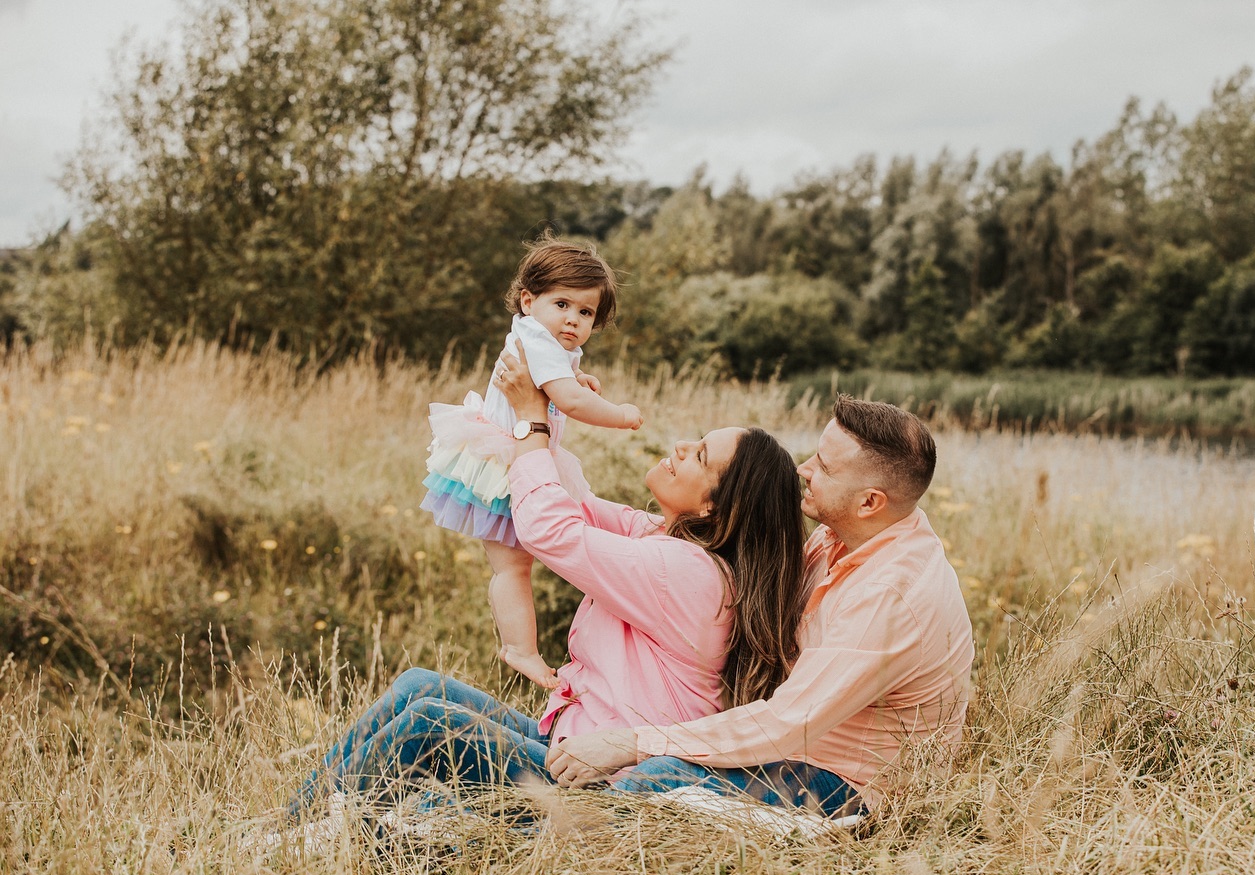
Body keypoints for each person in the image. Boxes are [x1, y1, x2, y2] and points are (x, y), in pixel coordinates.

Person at [283, 345, 807, 826]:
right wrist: (547, 403)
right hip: (567, 743)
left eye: (699, 456)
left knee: (427, 722)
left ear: (717, 506)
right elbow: (559, 498)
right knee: (420, 685)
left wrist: (532, 419)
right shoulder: (661, 537)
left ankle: (304, 835)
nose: (680, 446)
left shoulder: (690, 574)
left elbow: (551, 531)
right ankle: (300, 818)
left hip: (603, 782)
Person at [545, 396, 974, 817]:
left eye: (823, 468)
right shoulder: (839, 537)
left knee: (656, 778)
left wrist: (632, 742)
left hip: (847, 790)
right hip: (788, 754)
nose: (804, 469)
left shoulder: (891, 595)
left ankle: (549, 849)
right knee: (488, 731)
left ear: (869, 503)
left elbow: (788, 723)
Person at [421, 236, 644, 690]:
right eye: (563, 304)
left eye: (586, 313)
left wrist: (576, 375)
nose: (574, 319)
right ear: (528, 300)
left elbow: (558, 381)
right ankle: (520, 649)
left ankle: (528, 645)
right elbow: (568, 401)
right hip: (506, 460)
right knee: (512, 566)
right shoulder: (538, 339)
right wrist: (620, 416)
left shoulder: (541, 338)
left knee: (517, 563)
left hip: (523, 455)